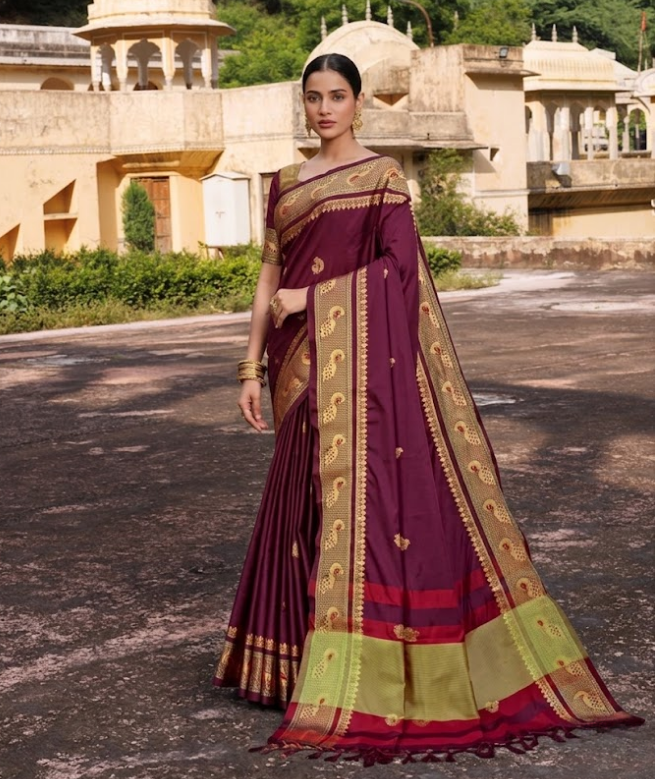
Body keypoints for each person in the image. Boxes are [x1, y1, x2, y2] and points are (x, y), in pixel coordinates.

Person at [213, 52, 641, 763]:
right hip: (296, 366)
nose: (324, 110)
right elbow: (267, 278)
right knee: (303, 508)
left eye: (338, 97)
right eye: (314, 97)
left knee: (355, 509)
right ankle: (289, 667)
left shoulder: (381, 177)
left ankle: (354, 669)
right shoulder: (284, 185)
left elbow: (400, 274)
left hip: (350, 366)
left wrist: (314, 298)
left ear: (358, 104)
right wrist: (249, 366)